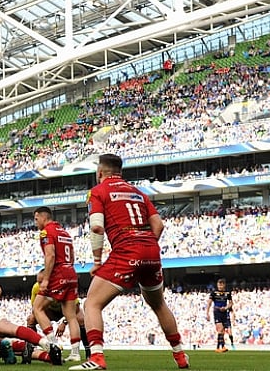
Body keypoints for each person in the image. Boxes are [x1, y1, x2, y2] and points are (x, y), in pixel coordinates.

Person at [70, 154, 189, 370]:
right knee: (159, 304)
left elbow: (97, 226)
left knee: (92, 303)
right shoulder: (138, 193)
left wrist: (97, 260)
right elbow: (159, 225)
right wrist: (146, 248)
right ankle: (180, 354)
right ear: (120, 171)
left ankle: (96, 357)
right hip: (151, 250)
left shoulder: (98, 191)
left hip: (126, 249)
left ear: (100, 173)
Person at [33, 206, 82, 362]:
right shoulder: (65, 233)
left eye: (36, 219)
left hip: (58, 273)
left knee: (37, 308)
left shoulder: (46, 232)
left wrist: (46, 278)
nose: (35, 222)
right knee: (71, 316)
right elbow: (72, 256)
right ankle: (75, 353)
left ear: (42, 217)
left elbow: (50, 255)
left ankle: (53, 345)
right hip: (71, 272)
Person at [27, 269, 90, 360]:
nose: (40, 285)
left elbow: (75, 308)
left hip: (65, 310)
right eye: (38, 282)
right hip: (51, 312)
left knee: (80, 317)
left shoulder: (62, 286)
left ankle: (87, 351)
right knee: (31, 318)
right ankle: (32, 350)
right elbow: (35, 310)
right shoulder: (36, 288)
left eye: (42, 282)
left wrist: (64, 323)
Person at [206, 278, 234, 352]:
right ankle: (219, 347)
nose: (220, 287)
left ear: (224, 285)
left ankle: (221, 347)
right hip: (217, 312)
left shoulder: (227, 293)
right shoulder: (214, 293)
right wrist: (207, 313)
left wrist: (226, 307)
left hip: (224, 312)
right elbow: (209, 303)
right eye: (219, 285)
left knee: (223, 331)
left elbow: (231, 303)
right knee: (220, 329)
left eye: (221, 285)